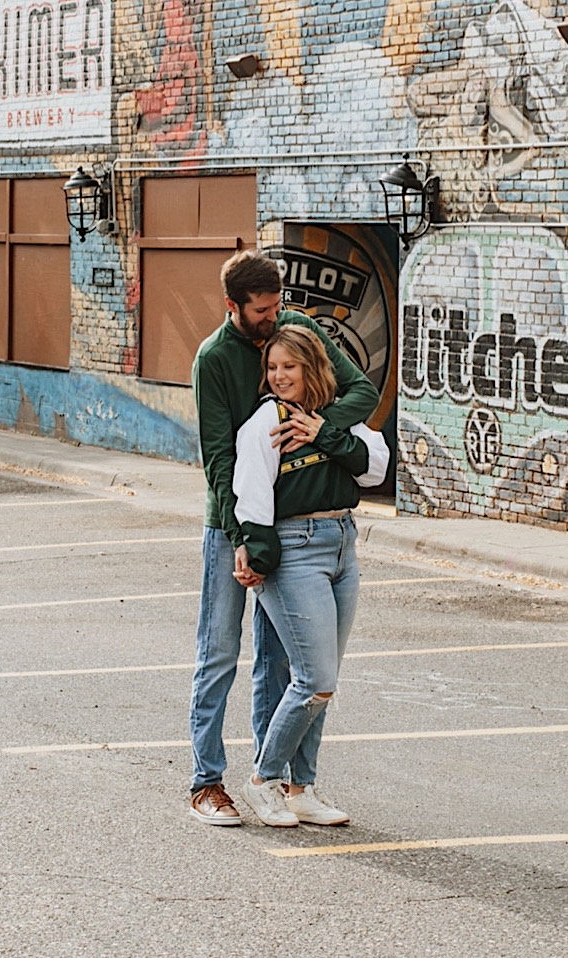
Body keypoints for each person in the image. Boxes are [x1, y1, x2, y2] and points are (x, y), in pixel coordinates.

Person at [188, 251, 378, 825]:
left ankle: (281, 784)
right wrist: (242, 536)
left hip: (295, 521)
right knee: (220, 652)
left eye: (278, 305)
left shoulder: (300, 329)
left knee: (279, 660)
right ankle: (207, 782)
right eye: (263, 311)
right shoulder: (215, 357)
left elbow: (358, 394)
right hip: (233, 519)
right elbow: (220, 456)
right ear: (235, 307)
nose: (274, 317)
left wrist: (320, 428)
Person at [233, 325, 388, 825]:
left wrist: (326, 433)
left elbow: (373, 468)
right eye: (273, 368)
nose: (279, 376)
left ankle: (302, 788)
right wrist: (255, 554)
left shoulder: (336, 419)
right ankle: (262, 779)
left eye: (289, 367)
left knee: (326, 681)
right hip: (294, 549)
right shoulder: (267, 422)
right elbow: (251, 494)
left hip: (343, 543)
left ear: (312, 369)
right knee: (314, 680)